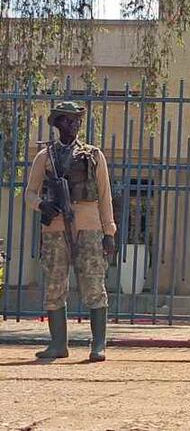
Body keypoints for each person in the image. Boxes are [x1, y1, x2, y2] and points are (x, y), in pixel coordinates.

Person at [25, 101, 116, 362]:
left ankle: (98, 345)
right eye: (68, 120)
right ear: (57, 124)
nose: (74, 124)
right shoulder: (45, 156)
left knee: (93, 284)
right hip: (54, 228)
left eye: (77, 119)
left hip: (88, 227)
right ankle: (58, 345)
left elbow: (104, 195)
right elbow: (30, 193)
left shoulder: (93, 155)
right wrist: (43, 204)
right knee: (54, 284)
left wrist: (109, 231)